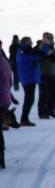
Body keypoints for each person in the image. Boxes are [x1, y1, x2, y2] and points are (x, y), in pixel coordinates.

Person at [1, 40, 19, 169]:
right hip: (4, 99)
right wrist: (10, 97)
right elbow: (9, 83)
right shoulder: (5, 62)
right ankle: (1, 156)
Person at [16, 37, 40, 126]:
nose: (32, 43)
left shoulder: (23, 50)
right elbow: (36, 57)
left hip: (28, 77)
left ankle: (25, 118)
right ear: (26, 42)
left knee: (29, 99)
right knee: (29, 99)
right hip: (28, 77)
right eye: (30, 41)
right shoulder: (24, 50)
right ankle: (24, 119)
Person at [36, 33, 55, 119]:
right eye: (47, 38)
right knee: (44, 94)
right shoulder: (40, 46)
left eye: (51, 38)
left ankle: (51, 110)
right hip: (43, 73)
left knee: (53, 93)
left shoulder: (51, 47)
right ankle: (42, 112)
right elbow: (42, 55)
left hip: (52, 72)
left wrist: (52, 52)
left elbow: (54, 57)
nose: (49, 40)